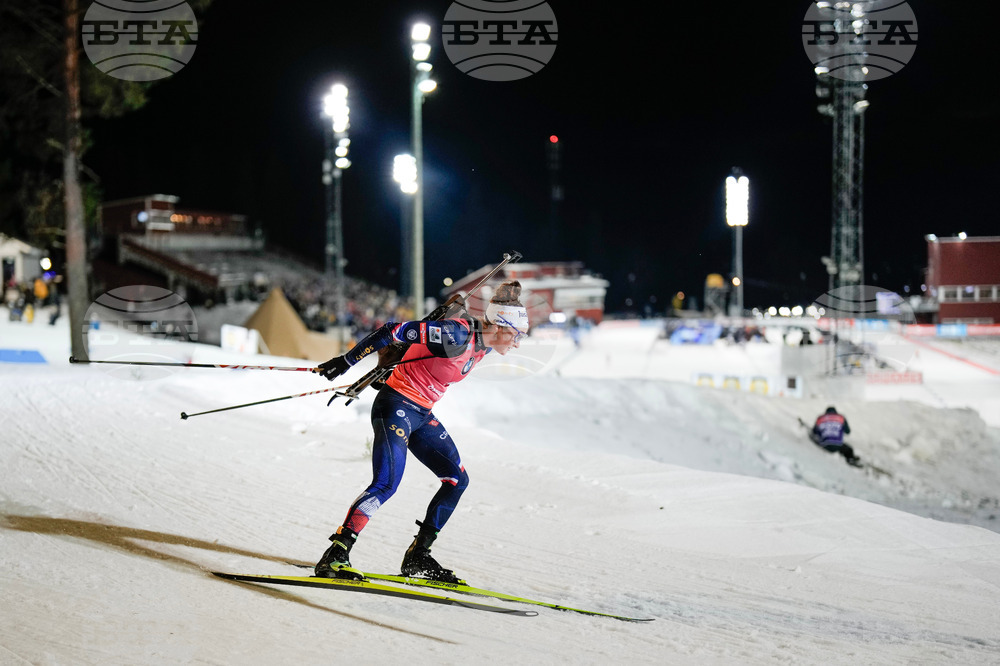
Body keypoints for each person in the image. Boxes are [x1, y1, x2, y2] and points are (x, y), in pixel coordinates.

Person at [312, 280, 529, 582]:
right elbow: (391, 331)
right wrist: (346, 361)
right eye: (517, 335)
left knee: (457, 480)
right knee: (386, 483)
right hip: (395, 406)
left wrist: (507, 297)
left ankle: (418, 556)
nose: (518, 343)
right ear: (501, 327)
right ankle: (336, 554)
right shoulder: (456, 334)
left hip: (421, 413)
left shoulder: (486, 344)